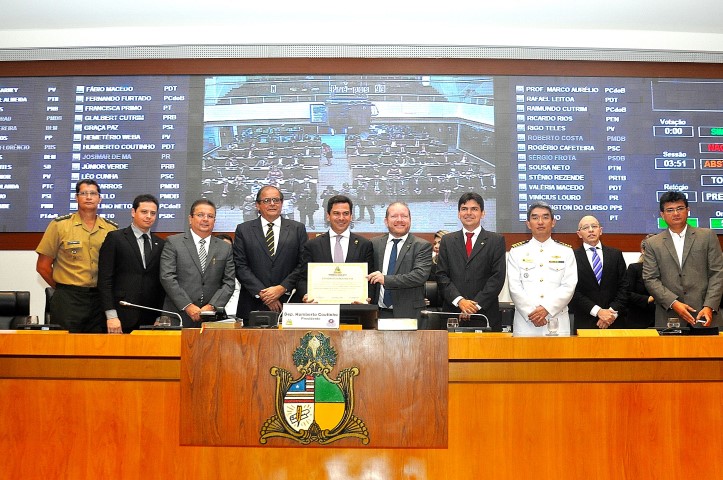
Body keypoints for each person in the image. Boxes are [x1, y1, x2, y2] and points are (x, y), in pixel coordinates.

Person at [35, 178, 118, 332]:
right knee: (64, 350)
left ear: (100, 198)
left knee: (97, 349)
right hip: (68, 300)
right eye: (83, 193)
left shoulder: (111, 229)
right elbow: (42, 266)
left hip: (99, 300)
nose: (88, 197)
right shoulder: (59, 225)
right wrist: (62, 289)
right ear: (76, 198)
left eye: (93, 193)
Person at [643, 191, 723, 327]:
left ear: (688, 210)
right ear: (662, 215)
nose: (676, 213)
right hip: (669, 315)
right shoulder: (653, 243)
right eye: (670, 210)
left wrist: (709, 305)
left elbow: (717, 273)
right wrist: (673, 303)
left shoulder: (707, 236)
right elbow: (650, 278)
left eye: (680, 208)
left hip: (705, 314)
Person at [232, 185, 307, 320]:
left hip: (288, 302)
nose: (272, 204)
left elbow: (303, 264)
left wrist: (282, 288)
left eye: (276, 200)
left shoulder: (297, 229)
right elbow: (240, 266)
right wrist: (264, 294)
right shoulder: (243, 230)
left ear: (282, 203)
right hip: (253, 303)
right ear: (257, 205)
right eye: (266, 200)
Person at [159, 199, 235, 326]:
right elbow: (167, 277)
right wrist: (188, 306)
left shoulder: (225, 247)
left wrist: (211, 307)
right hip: (178, 315)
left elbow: (229, 282)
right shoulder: (173, 242)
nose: (205, 219)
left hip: (211, 318)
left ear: (214, 221)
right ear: (190, 219)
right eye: (200, 215)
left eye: (210, 216)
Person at [436, 192, 506, 330]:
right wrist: (460, 301)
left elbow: (497, 277)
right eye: (464, 209)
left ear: (483, 213)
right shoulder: (447, 241)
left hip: (484, 314)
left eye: (474, 209)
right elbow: (441, 275)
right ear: (458, 213)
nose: (469, 213)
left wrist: (474, 305)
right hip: (453, 313)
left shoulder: (496, 240)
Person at [97, 194, 166, 333]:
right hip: (120, 316)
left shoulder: (161, 243)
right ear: (133, 212)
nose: (149, 216)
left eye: (153, 213)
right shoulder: (115, 238)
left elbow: (160, 284)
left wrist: (159, 316)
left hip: (150, 318)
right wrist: (111, 316)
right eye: (144, 212)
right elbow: (105, 280)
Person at [507, 202, 577, 336]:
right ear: (528, 224)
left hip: (556, 321)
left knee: (558, 357)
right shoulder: (516, 251)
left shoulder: (566, 251)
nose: (540, 222)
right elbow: (514, 287)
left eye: (545, 217)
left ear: (553, 222)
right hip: (526, 323)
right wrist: (531, 313)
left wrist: (546, 309)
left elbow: (569, 286)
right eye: (535, 218)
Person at [299, 194, 374, 300]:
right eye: (336, 213)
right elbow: (303, 278)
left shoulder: (364, 245)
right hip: (321, 309)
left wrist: (367, 297)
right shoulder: (312, 245)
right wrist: (306, 295)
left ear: (351, 216)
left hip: (354, 309)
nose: (341, 218)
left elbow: (370, 278)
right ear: (328, 216)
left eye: (346, 213)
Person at [367, 202, 432, 319]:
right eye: (394, 216)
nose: (399, 220)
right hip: (377, 313)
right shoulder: (373, 243)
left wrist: (385, 279)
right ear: (386, 221)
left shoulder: (422, 246)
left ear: (410, 220)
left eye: (404, 216)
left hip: (409, 314)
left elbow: (419, 276)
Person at [570, 215, 628, 330]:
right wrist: (598, 312)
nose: (591, 230)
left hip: (614, 322)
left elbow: (624, 288)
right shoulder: (572, 257)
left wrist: (610, 314)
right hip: (585, 321)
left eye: (594, 226)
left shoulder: (615, 255)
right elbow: (572, 291)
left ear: (600, 231)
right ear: (579, 234)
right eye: (585, 227)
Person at [625, 234, 656, 328]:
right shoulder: (634, 268)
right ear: (643, 250)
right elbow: (626, 293)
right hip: (638, 321)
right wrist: (649, 299)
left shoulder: (668, 270)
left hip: (661, 320)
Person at [215, 233, 241, 318]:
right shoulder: (211, 271)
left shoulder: (240, 269)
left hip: (238, 316)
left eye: (230, 248)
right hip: (216, 315)